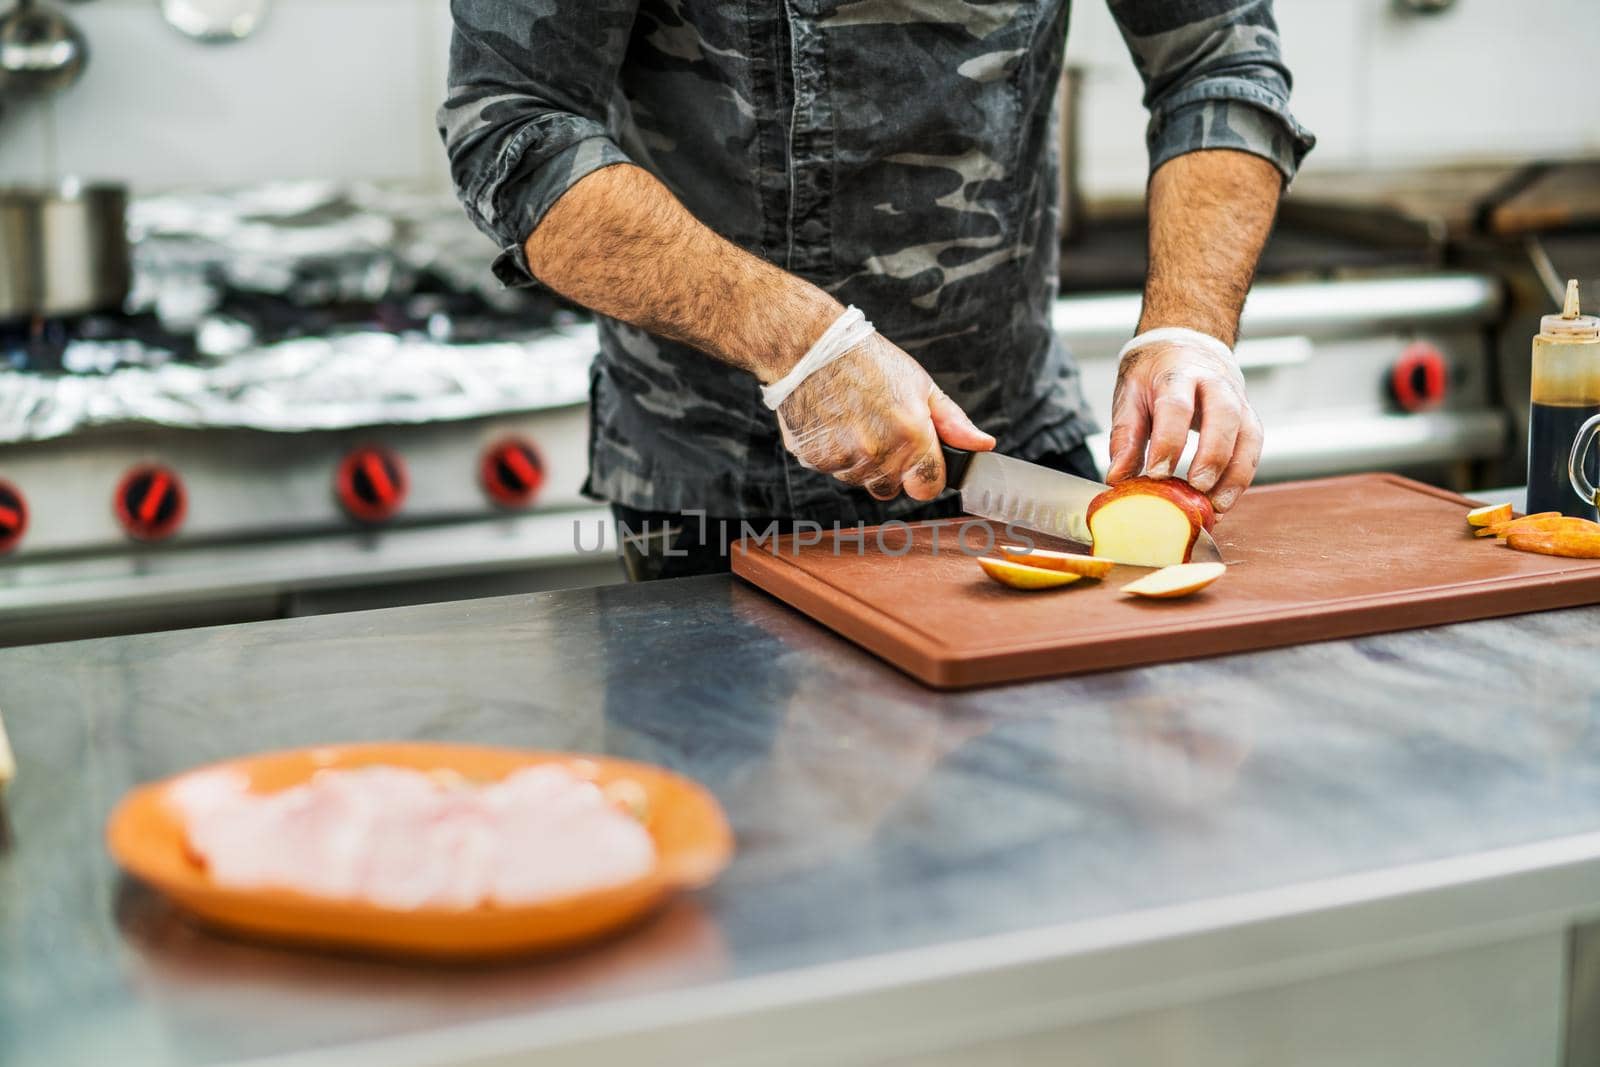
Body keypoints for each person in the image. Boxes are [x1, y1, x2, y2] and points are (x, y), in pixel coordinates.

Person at [440, 1, 1314, 580]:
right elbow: (513, 125)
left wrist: (1189, 330)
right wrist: (798, 342)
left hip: (1010, 458)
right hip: (714, 491)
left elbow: (1218, 59)